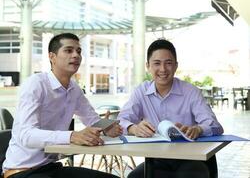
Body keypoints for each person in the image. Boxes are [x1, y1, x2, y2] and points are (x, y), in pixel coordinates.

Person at [2, 33, 122, 178]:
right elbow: (26, 135)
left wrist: (106, 127)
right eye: (68, 50)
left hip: (51, 168)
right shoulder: (36, 84)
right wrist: (72, 136)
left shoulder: (74, 88)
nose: (76, 55)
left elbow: (91, 119)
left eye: (78, 51)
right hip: (21, 171)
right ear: (52, 57)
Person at [117, 39, 224, 178]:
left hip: (192, 159)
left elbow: (216, 126)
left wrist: (198, 129)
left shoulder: (191, 92)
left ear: (175, 66)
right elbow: (121, 121)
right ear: (148, 66)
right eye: (156, 63)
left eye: (168, 63)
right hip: (156, 160)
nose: (162, 69)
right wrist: (133, 128)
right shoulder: (141, 91)